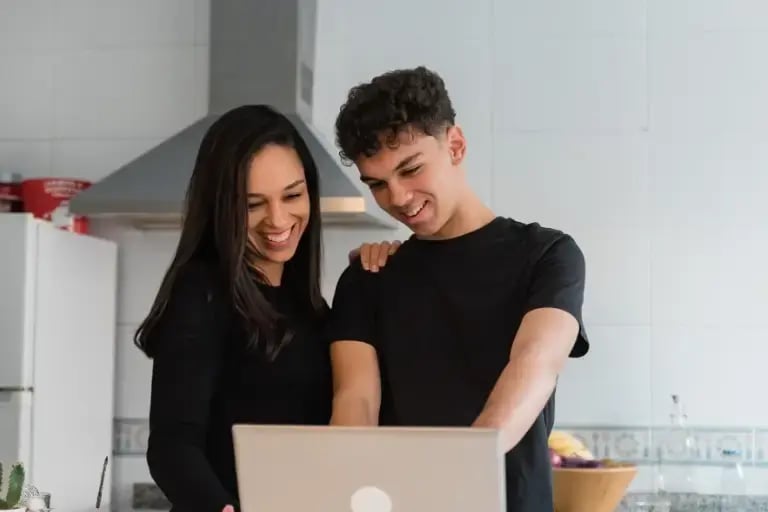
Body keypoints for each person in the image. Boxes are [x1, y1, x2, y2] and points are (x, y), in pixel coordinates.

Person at [326, 66, 590, 511]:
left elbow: (535, 365)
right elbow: (356, 400)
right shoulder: (367, 278)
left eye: (410, 170)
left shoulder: (548, 256)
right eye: (377, 184)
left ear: (455, 146)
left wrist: (462, 471)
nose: (399, 198)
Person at [134, 104, 399, 512]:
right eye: (252, 203)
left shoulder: (307, 306)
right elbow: (172, 449)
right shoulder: (202, 292)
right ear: (222, 206)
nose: (278, 219)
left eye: (292, 195)